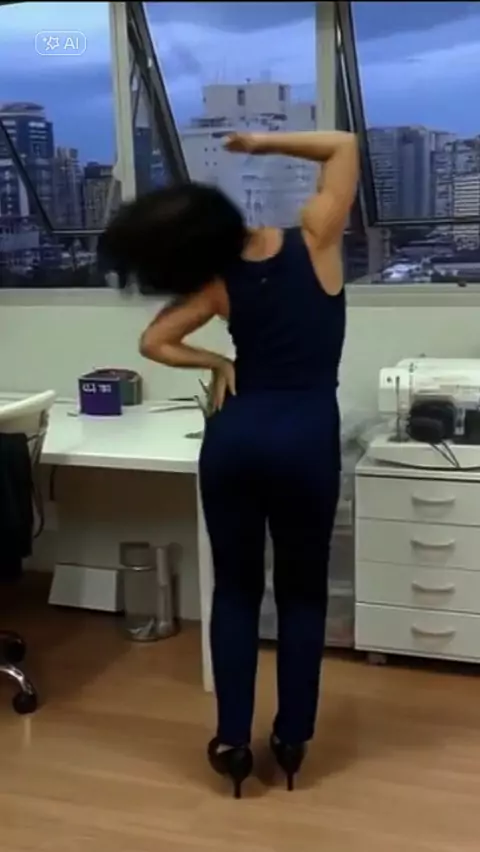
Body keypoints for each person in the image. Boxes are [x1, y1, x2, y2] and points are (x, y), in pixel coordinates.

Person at [98, 130, 358, 798]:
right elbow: (342, 145)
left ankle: (233, 744)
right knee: (302, 593)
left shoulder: (218, 285)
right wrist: (261, 142)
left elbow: (154, 340)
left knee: (236, 591)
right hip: (306, 437)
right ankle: (292, 740)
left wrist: (218, 361)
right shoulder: (316, 239)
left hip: (235, 440)